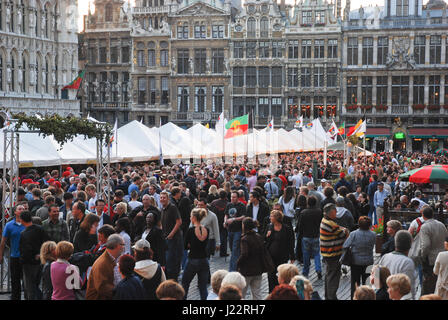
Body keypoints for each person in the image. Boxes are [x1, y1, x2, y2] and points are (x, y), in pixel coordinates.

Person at [320, 203, 349, 300]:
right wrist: (345, 230)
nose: (336, 212)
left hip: (327, 253)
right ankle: (332, 297)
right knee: (333, 277)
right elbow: (343, 233)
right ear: (331, 212)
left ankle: (328, 296)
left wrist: (343, 229)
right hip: (333, 253)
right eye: (335, 211)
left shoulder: (325, 220)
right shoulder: (331, 224)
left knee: (329, 275)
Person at [342, 216, 376, 299]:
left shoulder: (353, 234)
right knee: (368, 283)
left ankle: (354, 297)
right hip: (369, 262)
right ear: (369, 225)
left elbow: (345, 245)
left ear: (359, 224)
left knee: (355, 283)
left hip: (355, 261)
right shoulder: (373, 234)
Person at [377, 230, 418, 299]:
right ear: (410, 245)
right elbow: (409, 287)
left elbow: (376, 280)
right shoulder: (407, 262)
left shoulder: (385, 257)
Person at [19, 210, 50, 300]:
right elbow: (48, 241)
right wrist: (41, 254)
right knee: (36, 285)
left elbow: (25, 251)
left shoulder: (24, 234)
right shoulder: (40, 229)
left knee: (30, 288)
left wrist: (22, 261)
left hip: (29, 264)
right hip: (40, 261)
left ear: (21, 220)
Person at [181, 208, 209, 300]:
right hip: (204, 260)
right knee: (203, 286)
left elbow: (185, 246)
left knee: (185, 283)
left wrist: (190, 245)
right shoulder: (206, 230)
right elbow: (205, 244)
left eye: (190, 216)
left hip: (193, 259)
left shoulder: (190, 230)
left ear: (193, 217)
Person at [86, 234, 125, 300]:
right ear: (117, 246)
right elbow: (102, 287)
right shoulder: (102, 263)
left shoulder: (112, 259)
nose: (124, 247)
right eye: (123, 245)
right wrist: (121, 291)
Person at [419, 207, 448, 295]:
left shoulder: (424, 227)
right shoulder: (441, 225)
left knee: (428, 284)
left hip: (430, 259)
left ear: (423, 215)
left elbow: (426, 245)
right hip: (442, 256)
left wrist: (423, 256)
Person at [265, 210, 295, 293]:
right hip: (271, 255)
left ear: (277, 218)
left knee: (281, 274)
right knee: (271, 274)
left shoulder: (286, 229)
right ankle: (272, 292)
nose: (270, 218)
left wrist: (292, 255)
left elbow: (290, 242)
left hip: (282, 255)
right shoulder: (269, 227)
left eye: (272, 216)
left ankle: (281, 290)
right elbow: (264, 240)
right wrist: (267, 235)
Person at [0, 205, 26, 300]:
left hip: (27, 257)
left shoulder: (28, 224)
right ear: (15, 212)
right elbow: (3, 241)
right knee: (15, 281)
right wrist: (1, 255)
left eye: (23, 209)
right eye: (20, 209)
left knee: (27, 281)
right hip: (14, 256)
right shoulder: (9, 225)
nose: (22, 210)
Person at [237, 217, 266, 300]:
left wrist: (238, 262)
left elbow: (244, 254)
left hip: (247, 270)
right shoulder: (258, 236)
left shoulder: (244, 239)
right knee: (257, 293)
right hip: (258, 269)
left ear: (244, 226)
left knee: (242, 293)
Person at [297, 196, 323, 279]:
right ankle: (318, 269)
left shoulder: (304, 212)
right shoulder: (319, 211)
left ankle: (305, 271)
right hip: (316, 235)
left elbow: (300, 225)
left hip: (306, 236)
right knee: (316, 254)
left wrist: (299, 234)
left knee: (306, 254)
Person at [160, 191, 183, 281]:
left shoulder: (172, 208)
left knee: (171, 261)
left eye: (164, 198)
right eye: (161, 198)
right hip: (166, 238)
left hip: (174, 239)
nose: (162, 199)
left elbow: (179, 222)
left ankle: (173, 280)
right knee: (167, 260)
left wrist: (171, 234)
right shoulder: (162, 209)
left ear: (168, 199)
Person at [224, 191, 247, 272]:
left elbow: (244, 216)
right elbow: (226, 214)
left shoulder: (242, 205)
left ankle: (232, 270)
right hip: (230, 230)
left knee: (235, 249)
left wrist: (233, 219)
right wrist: (225, 221)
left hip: (238, 230)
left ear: (237, 198)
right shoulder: (229, 204)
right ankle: (239, 265)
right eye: (231, 197)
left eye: (234, 197)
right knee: (232, 249)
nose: (232, 198)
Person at [210, 190, 229, 257]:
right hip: (222, 222)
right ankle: (223, 252)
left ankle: (212, 251)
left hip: (214, 221)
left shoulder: (213, 202)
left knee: (212, 236)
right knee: (223, 238)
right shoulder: (227, 204)